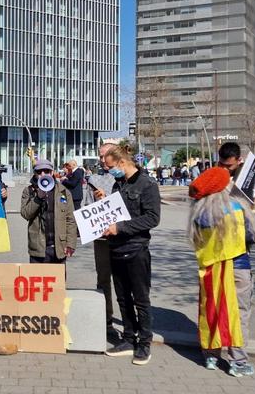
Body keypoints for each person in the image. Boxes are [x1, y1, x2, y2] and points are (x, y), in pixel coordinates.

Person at [188, 167, 255, 377]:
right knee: (238, 315)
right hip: (237, 268)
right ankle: (238, 361)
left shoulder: (198, 214)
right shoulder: (237, 208)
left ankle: (211, 355)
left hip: (210, 271)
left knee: (211, 311)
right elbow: (251, 237)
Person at [100, 145, 161, 366]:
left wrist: (121, 228)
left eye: (110, 166)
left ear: (122, 162)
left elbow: (152, 218)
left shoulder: (147, 184)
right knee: (123, 298)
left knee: (141, 300)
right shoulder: (119, 185)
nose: (108, 171)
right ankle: (128, 338)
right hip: (116, 249)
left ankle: (144, 343)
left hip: (136, 250)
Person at [21, 159, 77, 264]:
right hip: (38, 248)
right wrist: (37, 198)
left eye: (46, 171)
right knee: (37, 280)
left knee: (58, 280)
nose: (43, 174)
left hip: (59, 247)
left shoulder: (63, 192)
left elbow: (70, 220)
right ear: (35, 174)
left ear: (51, 173)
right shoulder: (29, 191)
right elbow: (25, 214)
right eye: (39, 172)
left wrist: (70, 244)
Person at [86, 143, 118, 330]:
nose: (101, 159)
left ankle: (132, 324)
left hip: (123, 237)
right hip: (102, 240)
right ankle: (107, 320)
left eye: (104, 155)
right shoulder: (94, 179)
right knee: (103, 279)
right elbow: (87, 206)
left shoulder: (127, 178)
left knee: (125, 282)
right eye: (100, 156)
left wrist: (106, 199)